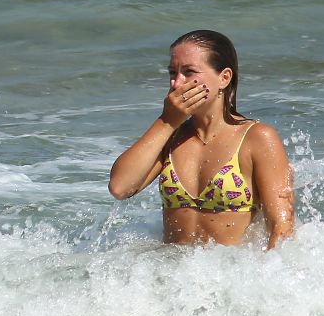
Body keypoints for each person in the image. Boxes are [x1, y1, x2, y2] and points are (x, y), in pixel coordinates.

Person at [108, 30, 294, 248]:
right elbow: (120, 187)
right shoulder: (170, 136)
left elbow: (282, 229)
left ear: (224, 78)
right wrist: (167, 121)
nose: (177, 84)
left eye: (189, 72)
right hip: (171, 276)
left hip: (232, 275)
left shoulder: (256, 138)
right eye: (172, 73)